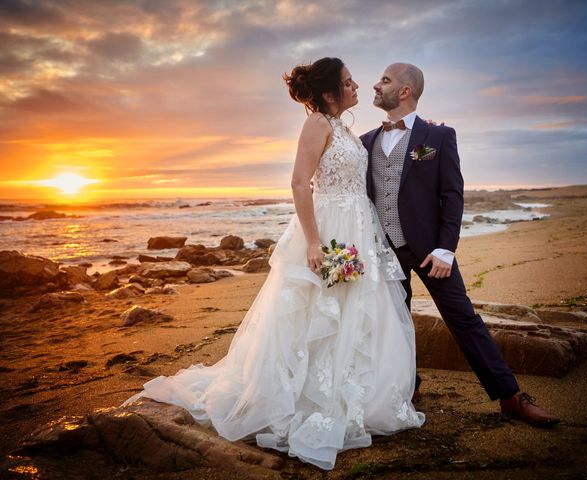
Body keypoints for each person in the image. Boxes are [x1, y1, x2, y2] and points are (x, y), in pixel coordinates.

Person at [123, 57, 425, 470]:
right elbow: (300, 182)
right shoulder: (317, 124)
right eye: (348, 82)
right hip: (329, 228)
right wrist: (315, 241)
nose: (357, 86)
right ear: (328, 91)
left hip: (358, 227)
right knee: (317, 309)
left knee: (356, 309)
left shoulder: (345, 129)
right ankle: (305, 398)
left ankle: (352, 392)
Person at [360, 62, 560, 427]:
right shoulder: (365, 142)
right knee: (394, 321)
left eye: (385, 80)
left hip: (430, 251)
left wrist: (445, 248)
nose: (376, 85)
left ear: (405, 91)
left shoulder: (438, 136)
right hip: (383, 251)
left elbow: (452, 195)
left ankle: (511, 397)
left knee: (464, 320)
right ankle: (408, 388)